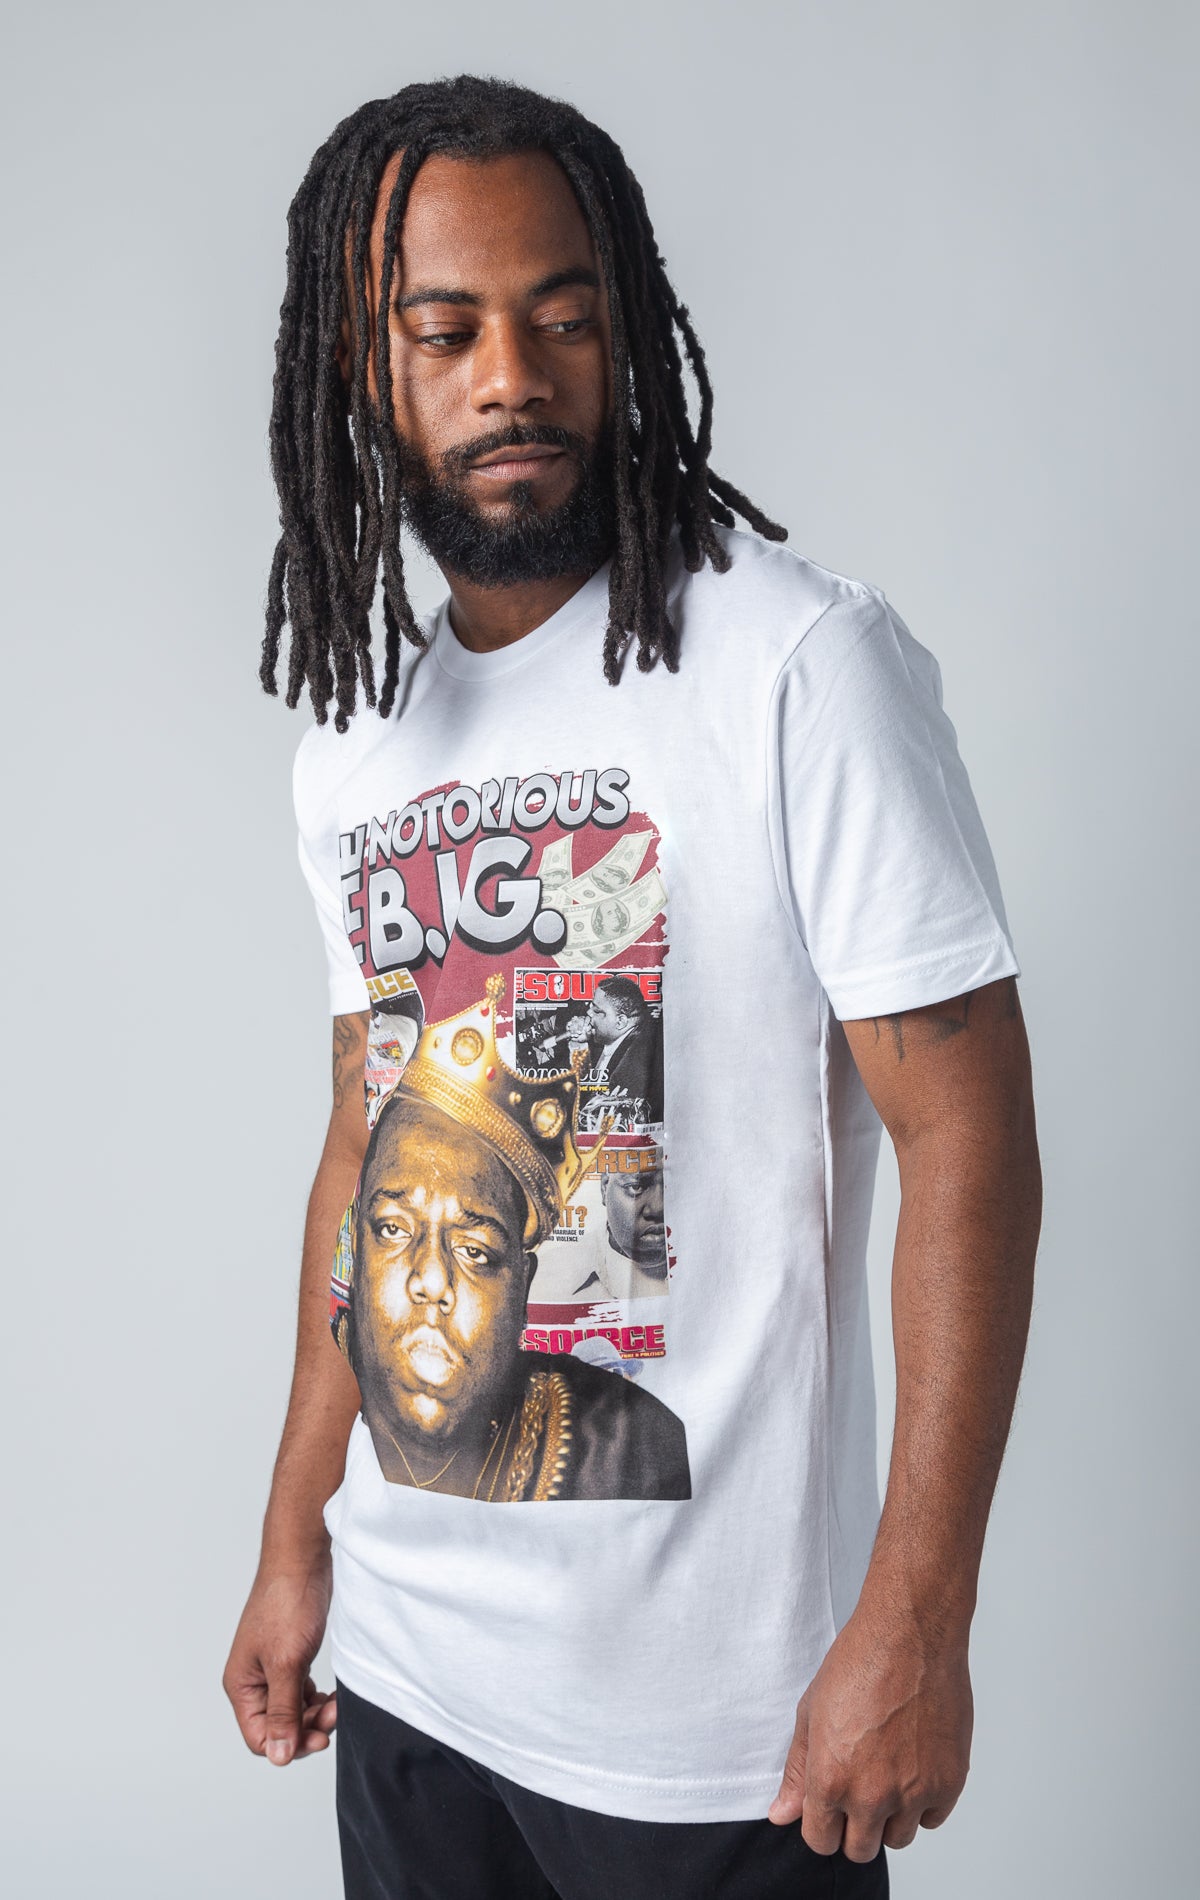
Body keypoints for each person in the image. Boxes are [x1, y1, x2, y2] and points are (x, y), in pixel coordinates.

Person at [223, 75, 1041, 1900]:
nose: (512, 377)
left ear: (628, 336)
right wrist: (294, 1537)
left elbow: (969, 1134)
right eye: (445, 332)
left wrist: (918, 1618)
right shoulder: (355, 749)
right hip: (413, 1671)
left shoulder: (796, 664)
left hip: (714, 1731)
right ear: (367, 372)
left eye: (564, 317)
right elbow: (361, 1149)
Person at [345, 974, 689, 1501]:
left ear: (522, 1288)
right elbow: (345, 1144)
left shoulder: (643, 1446)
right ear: (354, 1248)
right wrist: (291, 1540)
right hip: (368, 1549)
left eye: (474, 1251)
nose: (431, 1280)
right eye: (394, 1228)